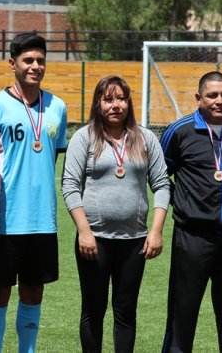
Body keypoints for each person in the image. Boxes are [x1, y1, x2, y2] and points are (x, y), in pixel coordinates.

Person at [61, 75, 170, 353]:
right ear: (98, 103)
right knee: (93, 309)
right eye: (108, 99)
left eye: (120, 98)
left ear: (129, 102)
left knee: (125, 311)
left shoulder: (146, 138)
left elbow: (161, 185)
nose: (115, 105)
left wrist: (155, 231)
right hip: (94, 240)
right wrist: (84, 232)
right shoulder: (83, 137)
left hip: (135, 240)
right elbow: (70, 186)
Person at [0, 33, 68, 353]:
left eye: (40, 60)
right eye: (28, 60)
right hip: (4, 217)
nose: (35, 66)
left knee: (34, 293)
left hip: (43, 219)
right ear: (12, 64)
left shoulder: (58, 106)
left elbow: (51, 157)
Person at [160, 71, 222, 353]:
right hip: (192, 238)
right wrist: (186, 202)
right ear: (198, 98)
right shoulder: (179, 131)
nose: (219, 101)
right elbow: (161, 176)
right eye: (212, 95)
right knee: (182, 316)